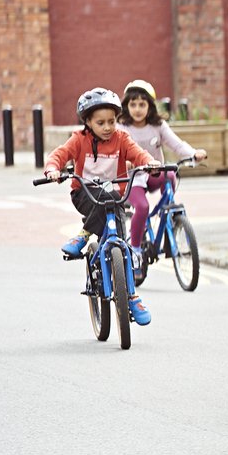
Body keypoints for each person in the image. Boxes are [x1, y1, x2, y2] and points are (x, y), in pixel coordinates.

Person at [43, 88, 159, 325]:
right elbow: (59, 154)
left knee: (123, 247)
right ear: (87, 122)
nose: (108, 127)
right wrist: (53, 170)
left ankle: (132, 296)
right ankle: (85, 234)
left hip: (114, 195)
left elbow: (138, 154)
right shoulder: (79, 139)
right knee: (105, 198)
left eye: (112, 121)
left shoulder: (122, 139)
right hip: (84, 194)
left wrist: (149, 163)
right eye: (101, 122)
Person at [117, 78, 208, 262]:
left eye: (142, 104)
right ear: (126, 106)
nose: (137, 109)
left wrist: (194, 153)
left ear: (150, 106)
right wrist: (124, 163)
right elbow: (116, 151)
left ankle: (168, 211)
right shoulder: (122, 128)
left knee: (171, 174)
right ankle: (135, 251)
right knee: (142, 207)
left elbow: (177, 145)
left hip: (154, 174)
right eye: (133, 104)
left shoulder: (157, 126)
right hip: (133, 178)